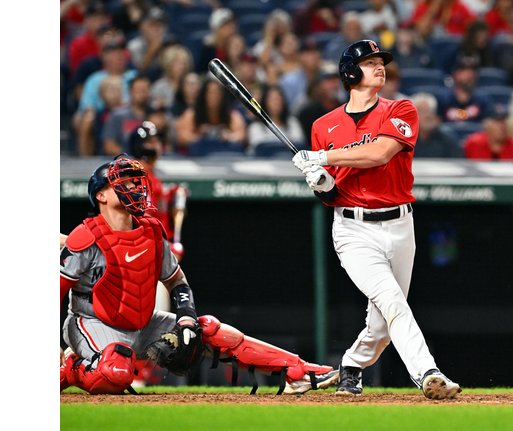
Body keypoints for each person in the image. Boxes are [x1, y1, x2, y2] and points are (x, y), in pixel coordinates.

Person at [60, 156, 339, 395]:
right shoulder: (85, 237)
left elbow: (176, 281)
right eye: (122, 182)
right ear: (101, 195)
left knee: (208, 329)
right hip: (93, 322)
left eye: (134, 180)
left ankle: (298, 370)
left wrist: (185, 318)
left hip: (142, 323)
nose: (133, 186)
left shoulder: (152, 231)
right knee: (116, 373)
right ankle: (72, 369)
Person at [290, 39, 461, 400]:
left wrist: (322, 158)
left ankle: (351, 365)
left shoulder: (401, 108)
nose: (380, 66)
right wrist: (320, 182)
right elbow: (331, 195)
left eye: (380, 61)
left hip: (400, 225)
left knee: (382, 323)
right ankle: (428, 373)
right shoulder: (324, 125)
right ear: (350, 72)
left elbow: (381, 153)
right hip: (353, 231)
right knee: (392, 300)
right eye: (370, 62)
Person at [174, 77, 248, 154]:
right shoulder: (191, 114)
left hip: (224, 154)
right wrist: (199, 136)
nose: (213, 96)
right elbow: (181, 136)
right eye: (210, 92)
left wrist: (228, 136)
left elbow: (241, 135)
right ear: (204, 94)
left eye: (217, 92)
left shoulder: (232, 115)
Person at [101, 74, 152, 156]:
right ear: (131, 92)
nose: (142, 94)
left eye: (145, 90)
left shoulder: (156, 116)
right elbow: (109, 144)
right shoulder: (117, 116)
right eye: (139, 90)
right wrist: (127, 158)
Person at [247, 85, 305, 155]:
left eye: (279, 99)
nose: (277, 103)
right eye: (273, 99)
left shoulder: (293, 123)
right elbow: (257, 147)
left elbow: (299, 146)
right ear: (265, 102)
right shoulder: (256, 126)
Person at [411, 92, 464, 158]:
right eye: (422, 111)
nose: (428, 115)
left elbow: (458, 163)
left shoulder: (448, 141)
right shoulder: (402, 142)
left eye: (431, 111)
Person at [67, 1, 109, 72]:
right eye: (95, 19)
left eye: (102, 19)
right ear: (87, 21)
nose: (100, 23)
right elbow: (77, 73)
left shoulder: (112, 40)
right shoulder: (77, 44)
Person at [126, 7, 167, 77]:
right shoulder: (134, 46)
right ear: (141, 27)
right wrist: (152, 50)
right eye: (152, 24)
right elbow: (138, 72)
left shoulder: (169, 42)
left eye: (159, 24)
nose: (157, 28)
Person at [149, 45, 193, 110]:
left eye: (184, 63)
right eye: (178, 63)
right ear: (169, 64)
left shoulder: (192, 84)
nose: (182, 67)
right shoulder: (159, 87)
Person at [196, 8, 237, 74]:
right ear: (217, 29)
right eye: (226, 26)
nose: (231, 29)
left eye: (231, 25)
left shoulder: (236, 48)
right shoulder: (207, 51)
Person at [409, 0, 476, 38]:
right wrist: (433, 10)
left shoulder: (458, 6)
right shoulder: (423, 7)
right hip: (431, 45)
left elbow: (474, 27)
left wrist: (447, 9)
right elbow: (418, 32)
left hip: (457, 45)